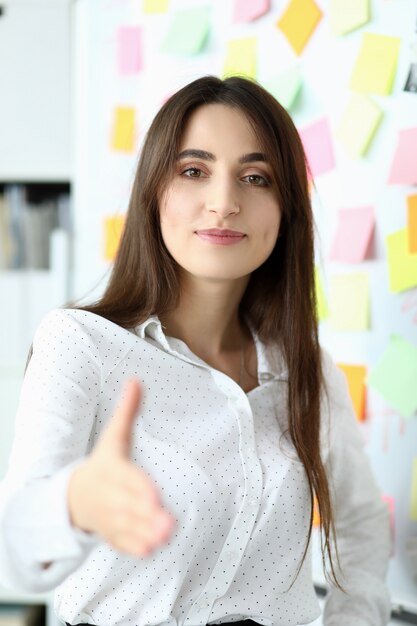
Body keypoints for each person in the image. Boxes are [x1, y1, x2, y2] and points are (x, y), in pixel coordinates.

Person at [0, 75, 391, 626]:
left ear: (285, 211)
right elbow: (16, 548)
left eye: (255, 178)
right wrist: (74, 503)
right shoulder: (81, 344)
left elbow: (363, 524)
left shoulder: (310, 371)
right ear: (155, 192)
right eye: (193, 171)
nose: (225, 203)